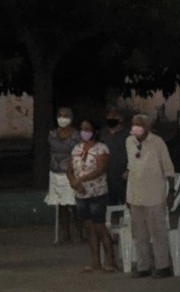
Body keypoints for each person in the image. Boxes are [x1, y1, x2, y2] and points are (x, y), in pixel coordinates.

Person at [124, 113, 177, 278]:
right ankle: (143, 267)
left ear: (147, 127)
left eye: (139, 124)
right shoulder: (129, 142)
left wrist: (171, 192)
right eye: (133, 124)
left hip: (154, 195)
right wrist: (128, 195)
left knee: (158, 232)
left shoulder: (157, 142)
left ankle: (163, 266)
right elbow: (131, 166)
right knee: (139, 234)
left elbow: (168, 168)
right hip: (135, 195)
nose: (135, 127)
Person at [66, 118, 117, 273]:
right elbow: (69, 169)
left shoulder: (102, 149)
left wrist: (81, 179)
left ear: (94, 131)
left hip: (97, 192)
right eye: (82, 128)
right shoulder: (76, 149)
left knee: (100, 226)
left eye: (87, 129)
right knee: (89, 227)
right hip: (81, 193)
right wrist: (74, 182)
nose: (84, 132)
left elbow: (100, 169)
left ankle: (111, 261)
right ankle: (95, 261)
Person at [47, 106, 80, 244]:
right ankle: (65, 233)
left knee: (75, 204)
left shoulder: (76, 135)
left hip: (71, 172)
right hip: (55, 173)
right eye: (60, 115)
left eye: (66, 116)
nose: (63, 118)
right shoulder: (53, 134)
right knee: (61, 204)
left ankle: (80, 232)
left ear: (71, 118)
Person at [100, 107, 130, 208]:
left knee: (126, 204)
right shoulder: (102, 133)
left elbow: (135, 154)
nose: (111, 118)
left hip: (123, 175)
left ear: (120, 118)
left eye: (114, 116)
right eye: (109, 116)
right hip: (107, 175)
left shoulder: (128, 134)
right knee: (110, 206)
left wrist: (129, 170)